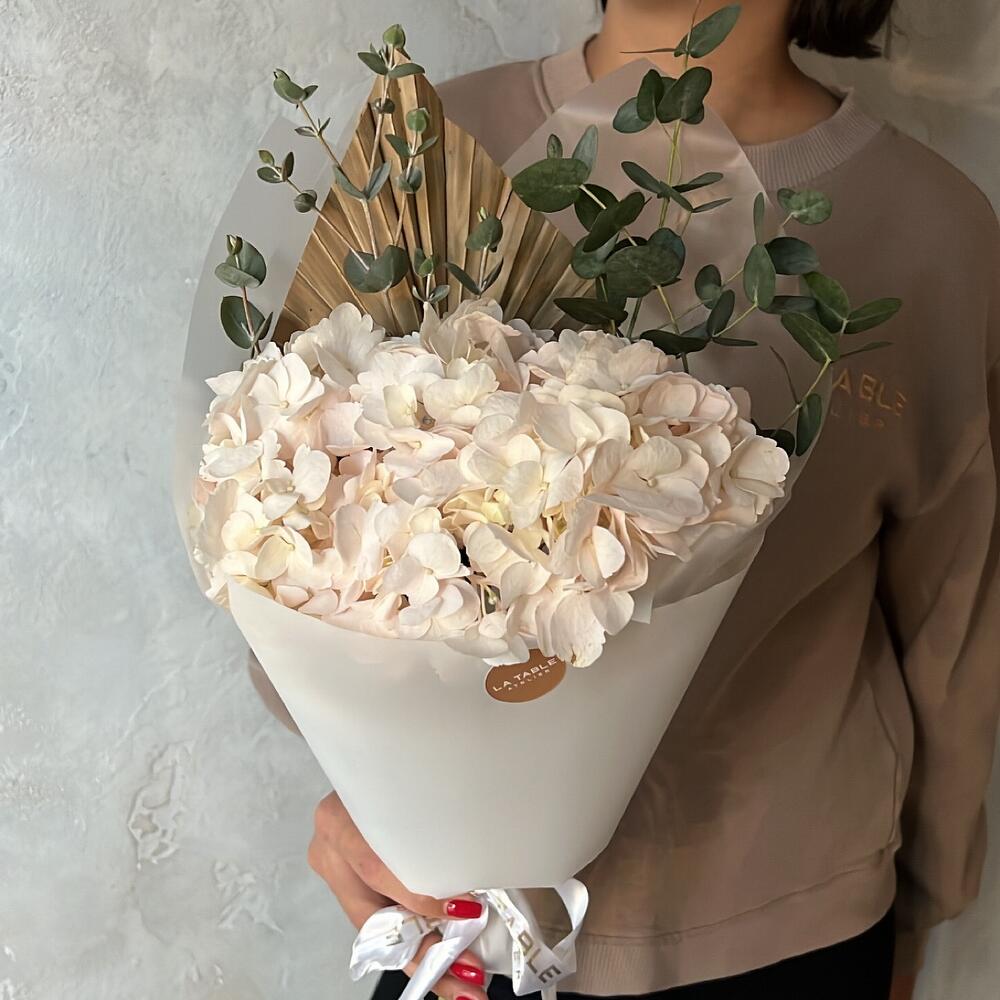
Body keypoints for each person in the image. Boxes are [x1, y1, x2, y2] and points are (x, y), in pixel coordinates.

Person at [257, 1, 1000, 997]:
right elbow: (283, 516)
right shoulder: (428, 149)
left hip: (790, 919)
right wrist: (367, 803)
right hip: (468, 920)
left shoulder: (933, 230)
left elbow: (957, 621)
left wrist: (931, 894)